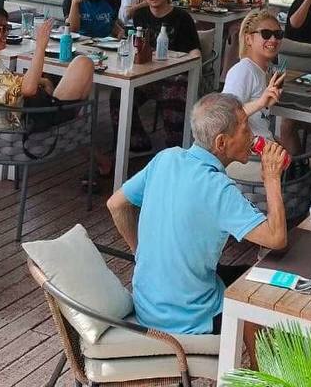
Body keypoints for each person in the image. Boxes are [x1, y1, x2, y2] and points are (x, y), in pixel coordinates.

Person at [106, 93, 288, 334]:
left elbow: (116, 204)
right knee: (257, 292)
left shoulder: (166, 158)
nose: (252, 136)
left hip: (147, 306)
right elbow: (276, 239)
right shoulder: (219, 189)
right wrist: (273, 178)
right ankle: (253, 371)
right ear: (221, 142)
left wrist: (139, 252)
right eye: (245, 128)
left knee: (244, 275)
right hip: (186, 319)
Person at [0, 0, 94, 131]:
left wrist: (44, 81)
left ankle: (71, 124)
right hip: (32, 125)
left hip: (33, 114)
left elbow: (10, 80)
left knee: (76, 68)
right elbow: (29, 89)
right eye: (2, 28)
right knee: (84, 64)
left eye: (7, 28)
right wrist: (40, 47)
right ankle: (70, 129)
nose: (6, 33)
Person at [133, 0, 202, 147]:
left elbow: (194, 50)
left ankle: (175, 147)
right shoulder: (140, 15)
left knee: (176, 91)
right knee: (118, 96)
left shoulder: (182, 17)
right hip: (145, 75)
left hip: (174, 76)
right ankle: (137, 142)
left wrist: (195, 69)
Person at [221, 11, 286, 141]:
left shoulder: (264, 71)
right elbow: (226, 116)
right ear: (248, 39)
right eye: (266, 34)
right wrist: (260, 103)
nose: (273, 40)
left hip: (265, 148)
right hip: (250, 155)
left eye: (278, 34)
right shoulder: (243, 70)